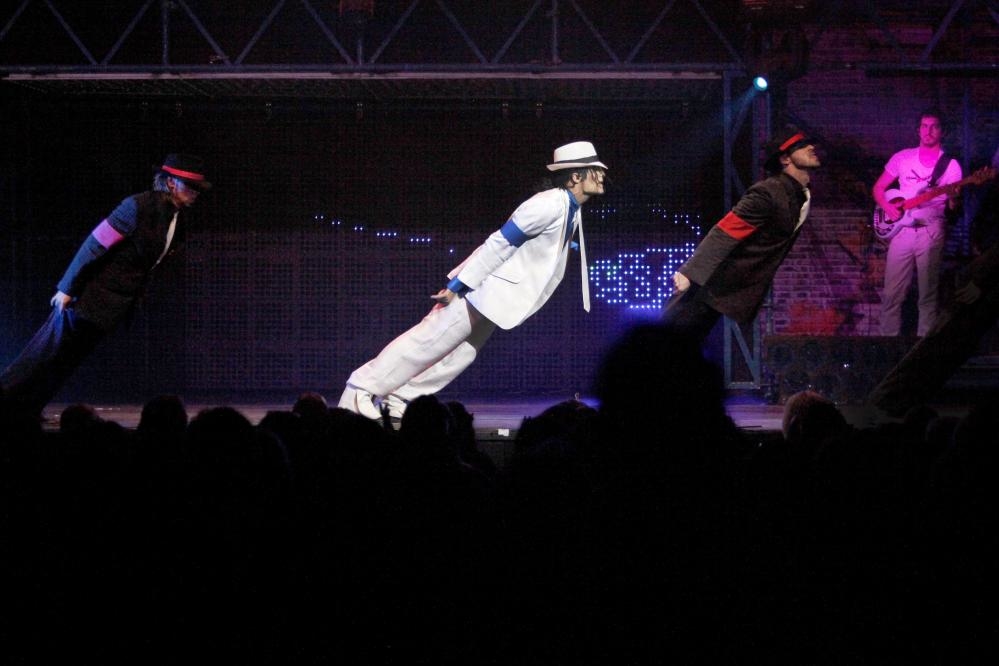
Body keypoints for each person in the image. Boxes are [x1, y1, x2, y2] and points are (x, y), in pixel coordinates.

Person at [338, 141, 607, 419]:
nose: (602, 176)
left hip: (498, 295)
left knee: (459, 356)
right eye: (595, 170)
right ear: (575, 177)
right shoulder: (547, 205)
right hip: (480, 288)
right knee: (427, 341)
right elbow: (500, 242)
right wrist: (458, 285)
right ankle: (359, 390)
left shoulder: (569, 207)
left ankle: (400, 397)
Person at [0, 154, 211, 418]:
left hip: (111, 306)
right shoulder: (136, 207)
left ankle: (27, 409)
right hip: (87, 297)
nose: (195, 192)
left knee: (67, 362)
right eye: (190, 186)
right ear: (170, 183)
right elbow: (94, 244)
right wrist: (67, 288)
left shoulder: (177, 221)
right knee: (43, 354)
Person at [662, 126, 820, 343]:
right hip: (709, 282)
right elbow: (726, 231)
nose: (811, 147)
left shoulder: (800, 195)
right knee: (668, 342)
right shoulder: (768, 193)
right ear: (785, 159)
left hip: (729, 287)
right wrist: (689, 273)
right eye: (801, 146)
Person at [873, 109, 963, 337]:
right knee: (892, 293)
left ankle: (924, 347)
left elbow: (953, 209)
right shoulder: (902, 157)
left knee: (927, 295)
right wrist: (888, 207)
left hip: (931, 230)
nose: (928, 131)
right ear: (918, 130)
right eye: (924, 126)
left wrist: (954, 198)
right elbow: (879, 188)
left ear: (942, 131)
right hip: (902, 231)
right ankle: (887, 344)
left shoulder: (951, 166)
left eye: (934, 126)